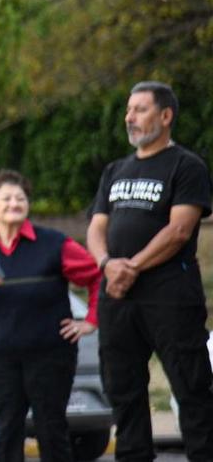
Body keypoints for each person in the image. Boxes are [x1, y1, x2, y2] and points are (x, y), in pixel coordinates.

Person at [85, 81, 213, 460]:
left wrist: (133, 267)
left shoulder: (186, 166)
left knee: (192, 389)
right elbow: (96, 227)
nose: (130, 118)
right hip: (118, 298)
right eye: (128, 110)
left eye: (139, 109)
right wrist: (108, 265)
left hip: (170, 295)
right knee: (123, 393)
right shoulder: (114, 170)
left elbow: (179, 230)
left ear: (165, 115)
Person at [0, 170, 101, 462]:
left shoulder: (54, 244)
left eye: (20, 198)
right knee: (6, 430)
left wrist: (91, 321)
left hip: (50, 354)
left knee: (51, 428)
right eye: (5, 198)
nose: (14, 203)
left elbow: (98, 276)